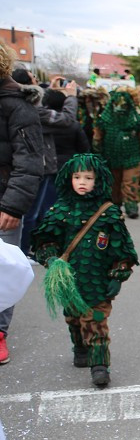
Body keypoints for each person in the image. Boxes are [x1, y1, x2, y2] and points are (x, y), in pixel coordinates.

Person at [31, 154, 138, 387]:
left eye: (88, 177)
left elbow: (124, 250)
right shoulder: (61, 210)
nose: (82, 181)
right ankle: (80, 347)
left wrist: (119, 274)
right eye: (77, 177)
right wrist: (50, 259)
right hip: (69, 280)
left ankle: (99, 365)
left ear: (97, 180)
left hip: (98, 281)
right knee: (73, 317)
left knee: (96, 320)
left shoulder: (108, 212)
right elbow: (45, 241)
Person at [0, 42, 46, 365]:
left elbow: (30, 160)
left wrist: (13, 206)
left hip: (4, 202)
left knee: (3, 271)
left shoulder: (18, 105)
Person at [13, 72, 78, 253]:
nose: (36, 80)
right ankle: (24, 251)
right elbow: (66, 119)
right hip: (36, 166)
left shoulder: (21, 104)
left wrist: (50, 89)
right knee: (31, 214)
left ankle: (28, 249)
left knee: (36, 211)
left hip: (35, 165)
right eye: (33, 78)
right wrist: (71, 97)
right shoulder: (32, 110)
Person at [94, 88, 140, 218]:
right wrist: (97, 153)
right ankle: (115, 205)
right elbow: (97, 138)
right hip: (111, 156)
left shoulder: (136, 120)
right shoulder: (105, 120)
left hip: (132, 157)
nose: (120, 108)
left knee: (130, 182)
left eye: (123, 105)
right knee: (114, 182)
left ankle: (131, 205)